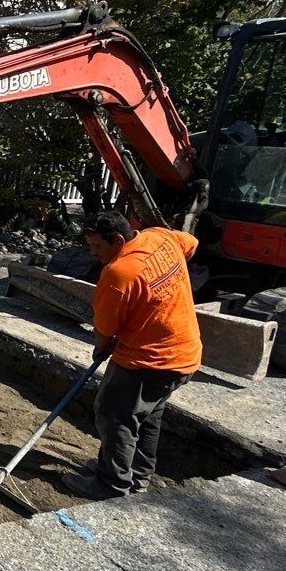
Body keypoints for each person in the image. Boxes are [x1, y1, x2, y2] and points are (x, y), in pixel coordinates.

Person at [61, 211, 202, 499]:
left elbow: (104, 330)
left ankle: (111, 484)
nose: (92, 252)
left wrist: (100, 348)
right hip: (184, 355)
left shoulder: (118, 273)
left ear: (119, 240)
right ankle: (137, 477)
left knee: (115, 416)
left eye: (97, 246)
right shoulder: (160, 237)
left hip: (148, 361)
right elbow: (191, 243)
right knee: (148, 418)